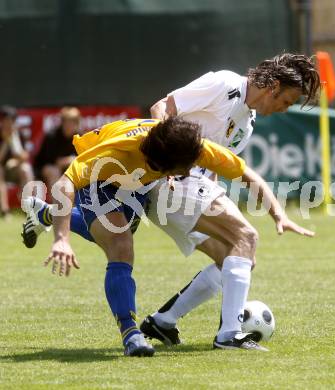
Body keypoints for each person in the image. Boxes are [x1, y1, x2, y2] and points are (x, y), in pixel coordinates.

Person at [22, 52, 319, 351]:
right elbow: (162, 106)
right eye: (287, 101)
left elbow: (237, 172)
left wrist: (277, 213)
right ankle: (225, 334)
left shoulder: (240, 126)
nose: (284, 109)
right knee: (242, 237)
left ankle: (164, 321)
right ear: (274, 87)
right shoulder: (225, 84)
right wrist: (168, 147)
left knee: (236, 256)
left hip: (174, 178)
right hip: (165, 175)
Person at [34, 107, 80, 195]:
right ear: (62, 123)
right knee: (54, 171)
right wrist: (69, 160)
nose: (69, 125)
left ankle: (78, 206)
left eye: (73, 122)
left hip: (67, 170)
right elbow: (52, 161)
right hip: (45, 168)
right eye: (67, 121)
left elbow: (83, 159)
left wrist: (71, 160)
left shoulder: (80, 136)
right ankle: (58, 206)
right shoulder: (52, 136)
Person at [0, 105, 34, 217]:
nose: (9, 124)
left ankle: (28, 208)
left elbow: (24, 157)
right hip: (2, 170)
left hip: (14, 169)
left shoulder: (19, 134)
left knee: (26, 169)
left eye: (11, 121)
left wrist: (14, 142)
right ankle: (5, 211)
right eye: (6, 121)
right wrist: (6, 141)